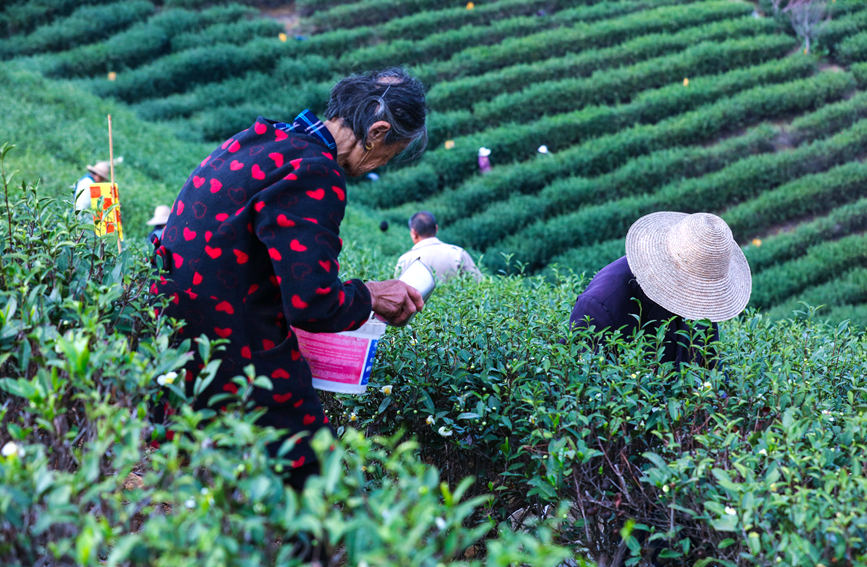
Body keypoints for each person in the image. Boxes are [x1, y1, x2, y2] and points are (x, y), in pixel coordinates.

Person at [152, 67, 428, 490]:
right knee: (310, 466)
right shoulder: (315, 172)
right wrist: (371, 294)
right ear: (377, 131)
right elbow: (313, 302)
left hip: (176, 339)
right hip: (229, 346)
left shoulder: (261, 139)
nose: (382, 165)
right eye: (389, 154)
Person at [569, 212, 752, 369]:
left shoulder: (702, 304)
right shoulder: (600, 306)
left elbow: (708, 368)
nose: (695, 299)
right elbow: (586, 388)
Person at [395, 211, 483, 282]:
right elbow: (478, 284)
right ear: (436, 229)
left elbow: (399, 295)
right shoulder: (458, 253)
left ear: (414, 233)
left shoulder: (405, 260)